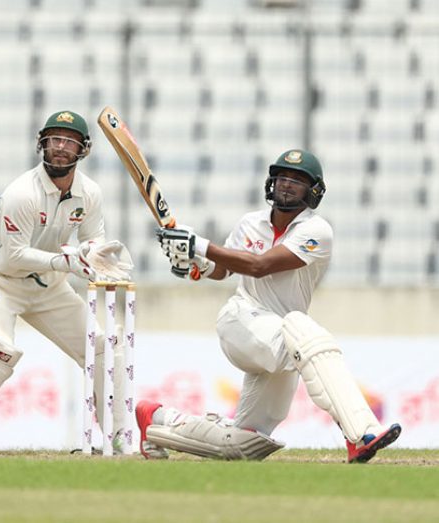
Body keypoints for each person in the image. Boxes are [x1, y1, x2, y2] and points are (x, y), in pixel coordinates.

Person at [135, 149, 401, 463]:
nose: (287, 185)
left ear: (313, 192)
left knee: (243, 444)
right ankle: (361, 434)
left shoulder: (317, 231)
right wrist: (197, 264)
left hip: (283, 341)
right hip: (241, 322)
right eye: (282, 178)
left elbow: (260, 265)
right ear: (271, 183)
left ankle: (157, 420)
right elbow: (222, 270)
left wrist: (198, 245)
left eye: (297, 181)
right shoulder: (250, 223)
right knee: (301, 327)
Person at [0, 110, 134, 455]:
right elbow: (13, 256)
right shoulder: (21, 193)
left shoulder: (90, 194)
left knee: (100, 348)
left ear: (83, 150)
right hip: (2, 281)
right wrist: (65, 261)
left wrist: (95, 257)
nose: (60, 147)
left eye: (69, 141)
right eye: (54, 139)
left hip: (50, 288)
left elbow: (91, 239)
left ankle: (117, 436)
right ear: (42, 144)